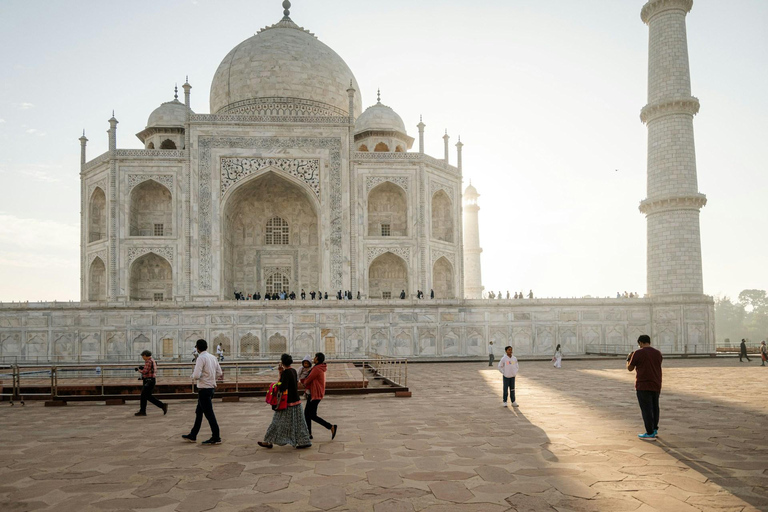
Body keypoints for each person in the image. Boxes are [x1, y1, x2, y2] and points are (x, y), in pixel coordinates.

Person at [258, 353, 312, 449]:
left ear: (282, 362)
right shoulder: (293, 371)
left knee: (276, 422)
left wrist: (279, 376)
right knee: (299, 423)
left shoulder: (286, 373)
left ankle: (268, 441)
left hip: (286, 403)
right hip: (296, 401)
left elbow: (282, 387)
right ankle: (304, 441)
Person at [182, 339, 223, 445]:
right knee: (199, 413)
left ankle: (216, 437)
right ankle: (193, 435)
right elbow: (219, 372)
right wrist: (209, 377)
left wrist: (196, 376)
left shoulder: (201, 358)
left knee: (209, 415)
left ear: (197, 348)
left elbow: (196, 375)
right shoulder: (213, 357)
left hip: (204, 389)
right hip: (211, 388)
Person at [627, 334, 663, 441]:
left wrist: (629, 358)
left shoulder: (638, 353)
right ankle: (655, 429)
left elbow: (630, 368)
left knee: (646, 409)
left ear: (640, 343)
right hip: (656, 383)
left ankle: (650, 432)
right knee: (655, 407)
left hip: (643, 384)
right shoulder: (658, 353)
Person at [301, 352, 338, 441]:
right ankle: (308, 433)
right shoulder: (319, 367)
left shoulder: (317, 369)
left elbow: (308, 380)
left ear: (317, 359)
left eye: (315, 357)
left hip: (315, 394)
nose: (313, 359)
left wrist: (303, 381)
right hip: (314, 394)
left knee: (311, 415)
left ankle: (330, 426)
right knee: (307, 414)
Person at [134, 350, 168, 416]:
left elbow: (145, 372)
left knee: (145, 396)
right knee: (146, 396)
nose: (142, 358)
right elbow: (150, 369)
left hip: (149, 381)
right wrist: (142, 368)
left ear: (145, 355)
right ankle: (143, 411)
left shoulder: (148, 361)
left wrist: (138, 370)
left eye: (143, 356)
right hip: (151, 380)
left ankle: (161, 405)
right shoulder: (152, 360)